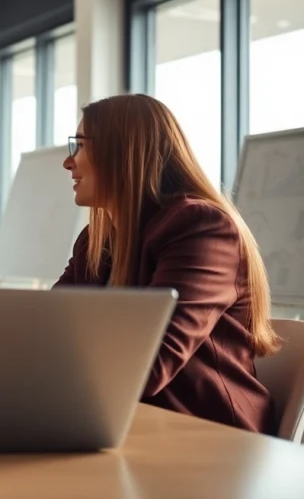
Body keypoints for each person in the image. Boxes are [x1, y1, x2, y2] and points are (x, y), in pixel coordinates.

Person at [54, 93, 280, 434]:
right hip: (127, 428)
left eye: (80, 146)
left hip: (213, 444)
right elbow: (50, 334)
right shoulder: (97, 238)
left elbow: (150, 363)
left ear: (123, 151)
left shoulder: (201, 228)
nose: (68, 163)